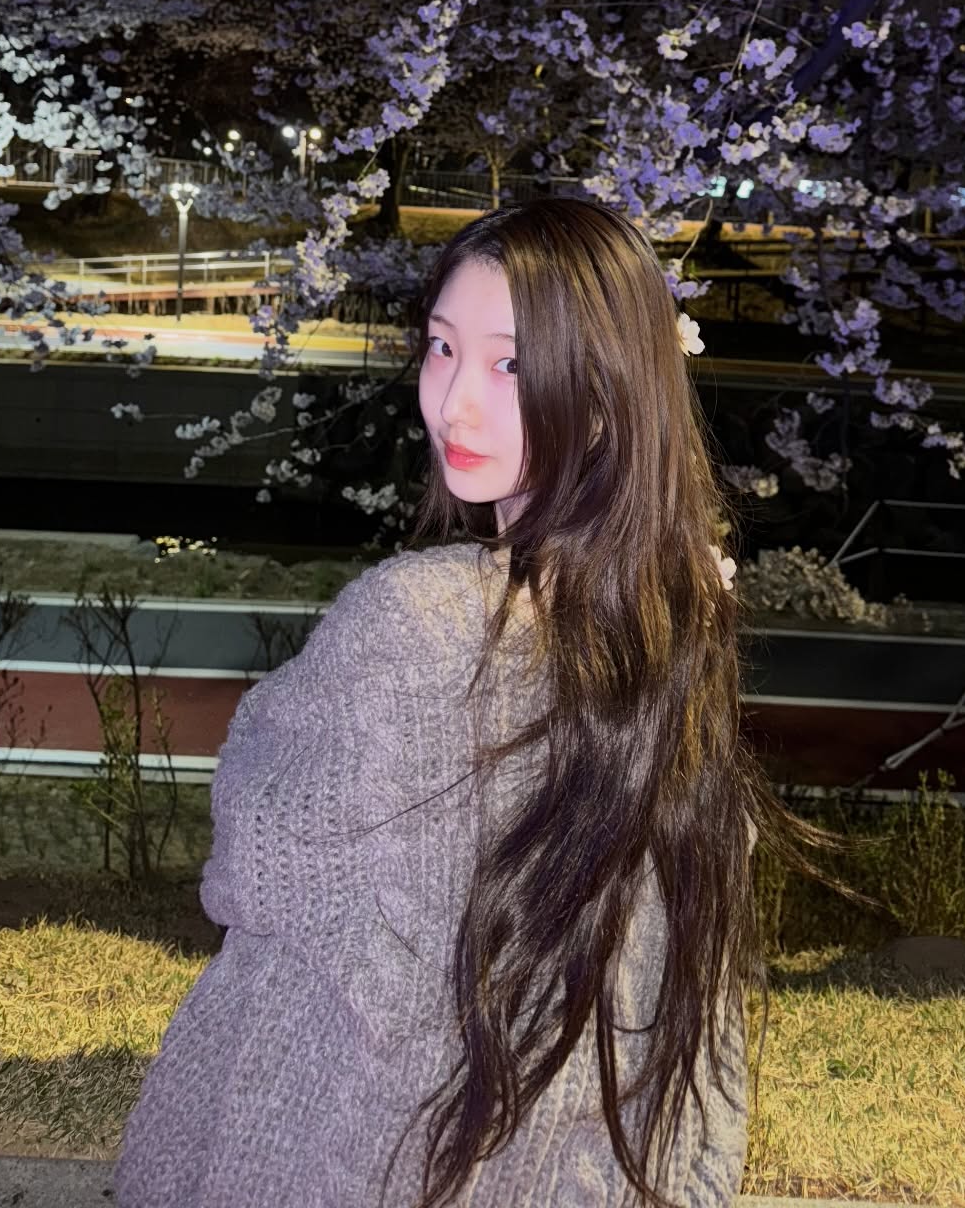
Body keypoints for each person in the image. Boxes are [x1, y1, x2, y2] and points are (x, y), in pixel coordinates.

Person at [113, 195, 855, 1208]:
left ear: (606, 393)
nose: (454, 404)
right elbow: (691, 962)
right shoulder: (677, 631)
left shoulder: (413, 619)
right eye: (442, 348)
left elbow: (260, 859)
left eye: (510, 366)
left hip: (363, 1162)